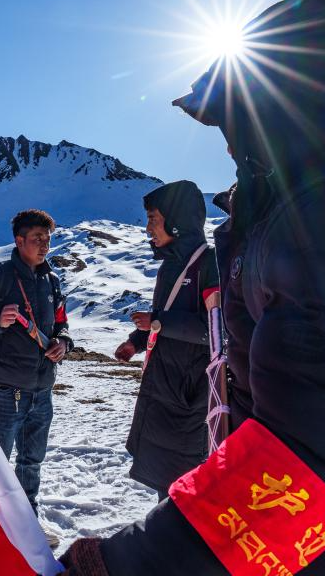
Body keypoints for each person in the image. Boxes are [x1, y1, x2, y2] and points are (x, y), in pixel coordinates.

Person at [61, 0, 325, 575]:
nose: (232, 146)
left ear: (276, 116)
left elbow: (298, 462)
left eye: (236, 123)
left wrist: (121, 565)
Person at [0, 209, 73, 523]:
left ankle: (27, 522)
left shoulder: (52, 281)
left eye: (47, 239)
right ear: (19, 240)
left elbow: (62, 324)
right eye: (37, 238)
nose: (44, 245)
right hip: (4, 390)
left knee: (32, 461)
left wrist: (63, 343)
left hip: (42, 390)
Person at [114, 180, 218, 500]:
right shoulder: (171, 267)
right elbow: (165, 316)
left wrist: (159, 321)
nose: (148, 228)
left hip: (191, 394)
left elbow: (216, 330)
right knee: (167, 482)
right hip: (165, 388)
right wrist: (136, 340)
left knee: (185, 482)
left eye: (153, 219)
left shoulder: (209, 263)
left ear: (176, 220)